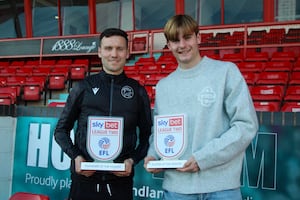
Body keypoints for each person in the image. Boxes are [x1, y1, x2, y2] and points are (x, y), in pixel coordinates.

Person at [144, 14, 259, 200]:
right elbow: (160, 131)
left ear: (198, 38)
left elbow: (246, 126)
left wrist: (203, 159)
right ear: (169, 45)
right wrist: (153, 155)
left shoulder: (225, 72)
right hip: (177, 189)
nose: (182, 45)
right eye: (175, 40)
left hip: (221, 188)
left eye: (187, 37)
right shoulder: (164, 86)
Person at [54, 28, 152, 200]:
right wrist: (76, 156)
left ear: (127, 52)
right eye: (108, 48)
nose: (114, 54)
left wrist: (132, 160)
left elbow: (147, 135)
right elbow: (61, 130)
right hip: (84, 181)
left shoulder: (137, 91)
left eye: (119, 49)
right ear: (99, 52)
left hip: (120, 184)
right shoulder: (82, 87)